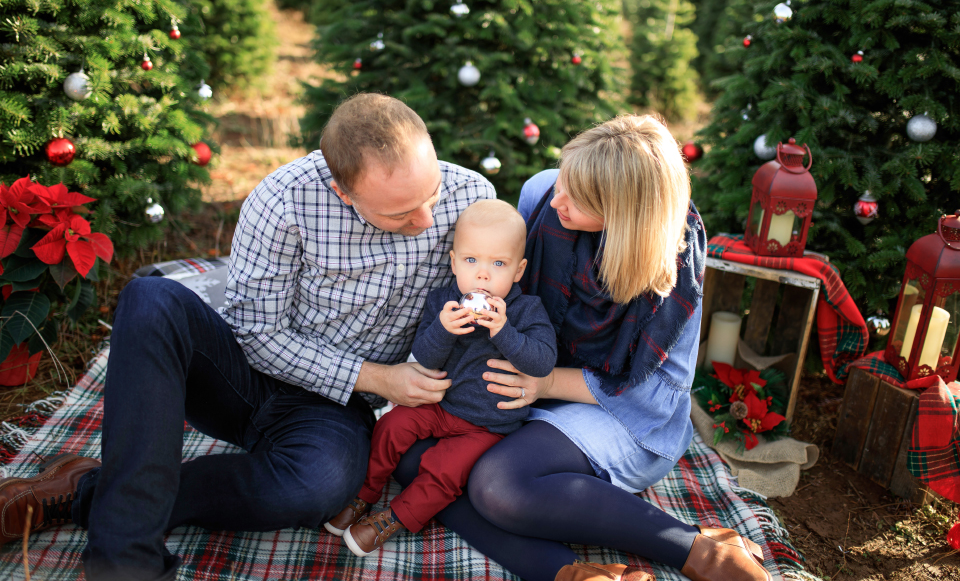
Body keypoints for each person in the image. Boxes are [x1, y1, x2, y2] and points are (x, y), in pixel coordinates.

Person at [0, 93, 495, 581]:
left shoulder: (472, 198)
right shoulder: (283, 198)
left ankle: (85, 491)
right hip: (243, 377)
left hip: (337, 409)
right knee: (150, 299)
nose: (427, 219)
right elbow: (257, 334)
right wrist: (383, 378)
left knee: (316, 487)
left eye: (429, 197)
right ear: (343, 192)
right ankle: (125, 564)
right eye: (399, 213)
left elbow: (492, 297)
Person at [391, 115, 772, 581]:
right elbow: (513, 296)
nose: (556, 199)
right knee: (413, 457)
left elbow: (660, 393)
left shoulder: (672, 258)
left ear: (624, 213)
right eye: (562, 178)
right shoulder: (543, 197)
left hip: (615, 410)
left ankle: (695, 549)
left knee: (497, 484)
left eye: (576, 197)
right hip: (524, 380)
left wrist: (546, 381)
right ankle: (575, 575)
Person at [326, 199, 557, 557]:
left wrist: (504, 332)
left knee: (445, 473)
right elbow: (426, 357)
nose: (482, 274)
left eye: (498, 263)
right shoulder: (443, 303)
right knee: (390, 426)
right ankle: (364, 494)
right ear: (453, 263)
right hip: (439, 403)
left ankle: (392, 519)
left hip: (488, 424)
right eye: (471, 260)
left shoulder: (527, 310)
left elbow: (542, 363)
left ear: (518, 270)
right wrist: (444, 329)